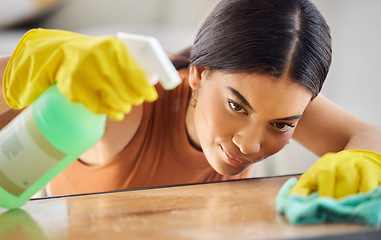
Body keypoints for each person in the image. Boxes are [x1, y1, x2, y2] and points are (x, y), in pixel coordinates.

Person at [0, 0, 380, 199]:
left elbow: (369, 137)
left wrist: (362, 161)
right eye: (236, 106)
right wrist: (36, 63)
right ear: (198, 74)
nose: (250, 145)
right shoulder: (126, 103)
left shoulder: (277, 102)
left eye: (281, 125)